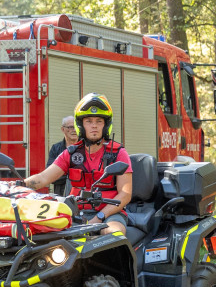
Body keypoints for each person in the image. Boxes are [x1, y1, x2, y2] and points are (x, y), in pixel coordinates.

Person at [20, 93, 132, 235]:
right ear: (81, 125)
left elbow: (125, 194)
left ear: (105, 125)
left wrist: (99, 218)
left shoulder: (118, 153)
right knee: (41, 233)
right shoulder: (72, 153)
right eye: (89, 121)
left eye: (99, 121)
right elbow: (43, 178)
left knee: (113, 233)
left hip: (109, 214)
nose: (94, 126)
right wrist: (17, 185)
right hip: (77, 213)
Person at [46, 115, 78, 196]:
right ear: (63, 129)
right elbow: (50, 177)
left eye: (76, 127)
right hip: (60, 196)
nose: (74, 130)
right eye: (70, 127)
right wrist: (74, 175)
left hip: (81, 197)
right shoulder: (56, 148)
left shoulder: (87, 147)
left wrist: (61, 172)